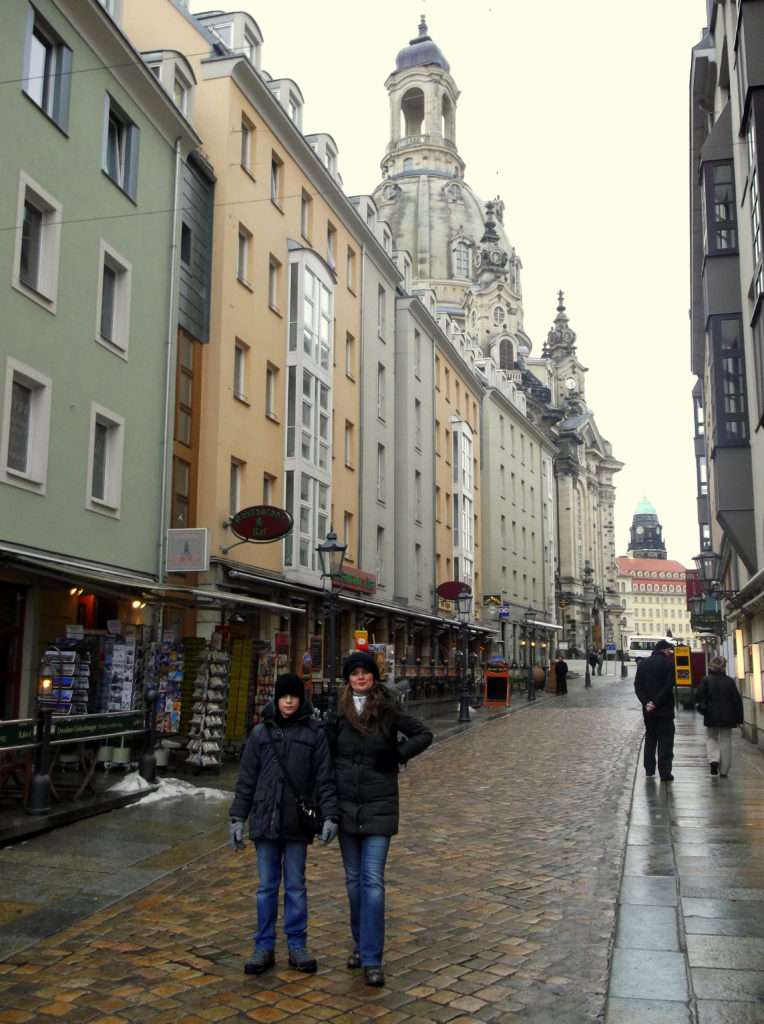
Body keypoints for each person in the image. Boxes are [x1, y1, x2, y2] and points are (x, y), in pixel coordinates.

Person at [327, 651, 433, 988]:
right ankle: (360, 943)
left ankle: (372, 958)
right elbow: (324, 758)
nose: (360, 677)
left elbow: (423, 734)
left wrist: (397, 755)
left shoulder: (387, 711)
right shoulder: (336, 714)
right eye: (354, 673)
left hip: (378, 806)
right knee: (354, 883)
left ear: (373, 677)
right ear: (348, 679)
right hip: (346, 808)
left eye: (365, 673)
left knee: (372, 883)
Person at [229, 674, 339, 976]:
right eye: (284, 696)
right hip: (265, 818)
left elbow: (324, 779)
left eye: (294, 696)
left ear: (301, 699)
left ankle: (297, 944)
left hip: (296, 821)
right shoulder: (260, 734)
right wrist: (238, 817)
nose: (289, 701)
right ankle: (263, 945)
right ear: (276, 699)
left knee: (295, 886)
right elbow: (246, 780)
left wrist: (330, 816)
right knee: (266, 887)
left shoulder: (314, 733)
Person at [634, 639, 676, 781]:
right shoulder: (669, 664)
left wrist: (646, 702)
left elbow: (637, 686)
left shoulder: (643, 664)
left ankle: (649, 769)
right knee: (665, 740)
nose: (670, 653)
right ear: (664, 650)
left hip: (648, 711)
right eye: (669, 650)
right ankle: (665, 772)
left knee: (651, 738)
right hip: (664, 709)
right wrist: (656, 702)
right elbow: (668, 686)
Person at [696, 655, 744, 777]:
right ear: (724, 667)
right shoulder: (729, 682)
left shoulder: (706, 680)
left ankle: (713, 760)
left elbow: (698, 696)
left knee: (711, 737)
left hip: (711, 715)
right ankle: (724, 770)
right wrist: (739, 719)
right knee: (726, 741)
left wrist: (703, 709)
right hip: (728, 716)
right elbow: (737, 701)